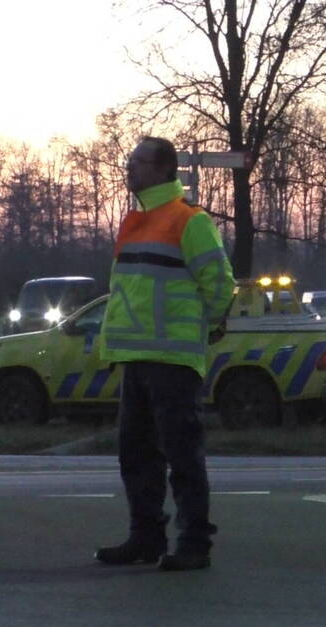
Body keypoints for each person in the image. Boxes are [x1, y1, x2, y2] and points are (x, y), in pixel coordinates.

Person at [95, 136, 236, 571]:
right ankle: (146, 538)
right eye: (130, 161)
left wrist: (206, 327)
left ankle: (194, 544)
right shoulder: (133, 222)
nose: (129, 168)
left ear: (162, 169)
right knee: (136, 454)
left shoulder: (188, 220)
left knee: (181, 454)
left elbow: (220, 283)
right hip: (138, 358)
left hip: (174, 362)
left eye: (137, 162)